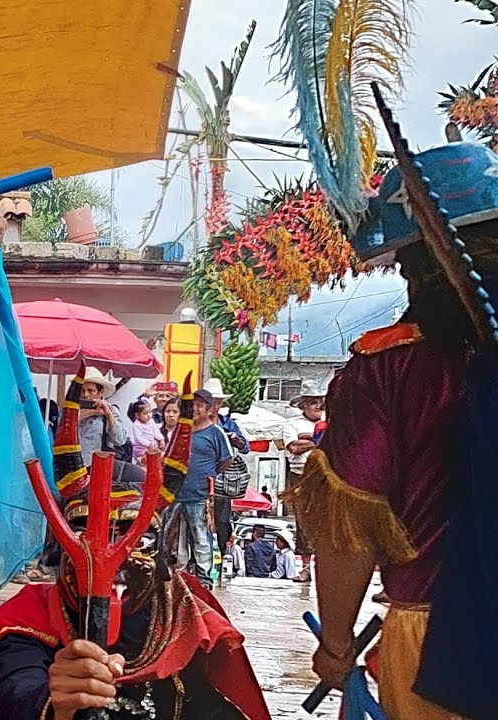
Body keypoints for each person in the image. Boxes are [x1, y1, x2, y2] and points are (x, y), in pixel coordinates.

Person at [282, 134, 498, 719]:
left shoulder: (388, 368)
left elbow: (347, 533)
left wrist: (335, 645)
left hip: (441, 644)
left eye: (404, 260)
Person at [0, 433, 270, 719]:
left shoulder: (187, 619)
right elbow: (9, 689)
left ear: (166, 549)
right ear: (57, 545)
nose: (112, 557)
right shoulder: (26, 621)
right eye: (84, 533)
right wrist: (55, 702)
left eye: (138, 539)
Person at [164, 389, 232, 590]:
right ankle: (180, 576)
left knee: (202, 538)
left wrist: (209, 474)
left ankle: (204, 580)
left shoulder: (215, 433)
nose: (194, 409)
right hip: (176, 494)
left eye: (199, 406)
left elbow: (226, 459)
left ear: (209, 410)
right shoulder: (179, 431)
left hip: (200, 495)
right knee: (177, 538)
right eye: (192, 405)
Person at [283, 378, 326, 583]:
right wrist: (316, 440)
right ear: (303, 405)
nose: (318, 405)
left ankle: (325, 569)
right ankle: (306, 567)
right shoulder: (292, 424)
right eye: (313, 401)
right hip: (300, 476)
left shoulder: (330, 420)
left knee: (327, 521)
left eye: (319, 400)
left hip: (326, 475)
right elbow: (293, 447)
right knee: (302, 521)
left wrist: (308, 440)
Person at [204, 378, 247, 558]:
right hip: (200, 475)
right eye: (212, 401)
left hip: (222, 479)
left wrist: (235, 439)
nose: (216, 405)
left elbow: (245, 447)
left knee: (221, 521)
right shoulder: (195, 423)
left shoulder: (228, 423)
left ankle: (219, 557)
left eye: (219, 402)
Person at [127, 398, 164, 463]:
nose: (149, 415)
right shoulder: (137, 424)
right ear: (137, 415)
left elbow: (156, 431)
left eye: (150, 412)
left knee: (159, 449)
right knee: (140, 453)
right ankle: (142, 459)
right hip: (141, 446)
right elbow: (138, 438)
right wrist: (148, 444)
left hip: (152, 443)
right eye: (145, 413)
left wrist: (161, 439)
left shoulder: (151, 421)